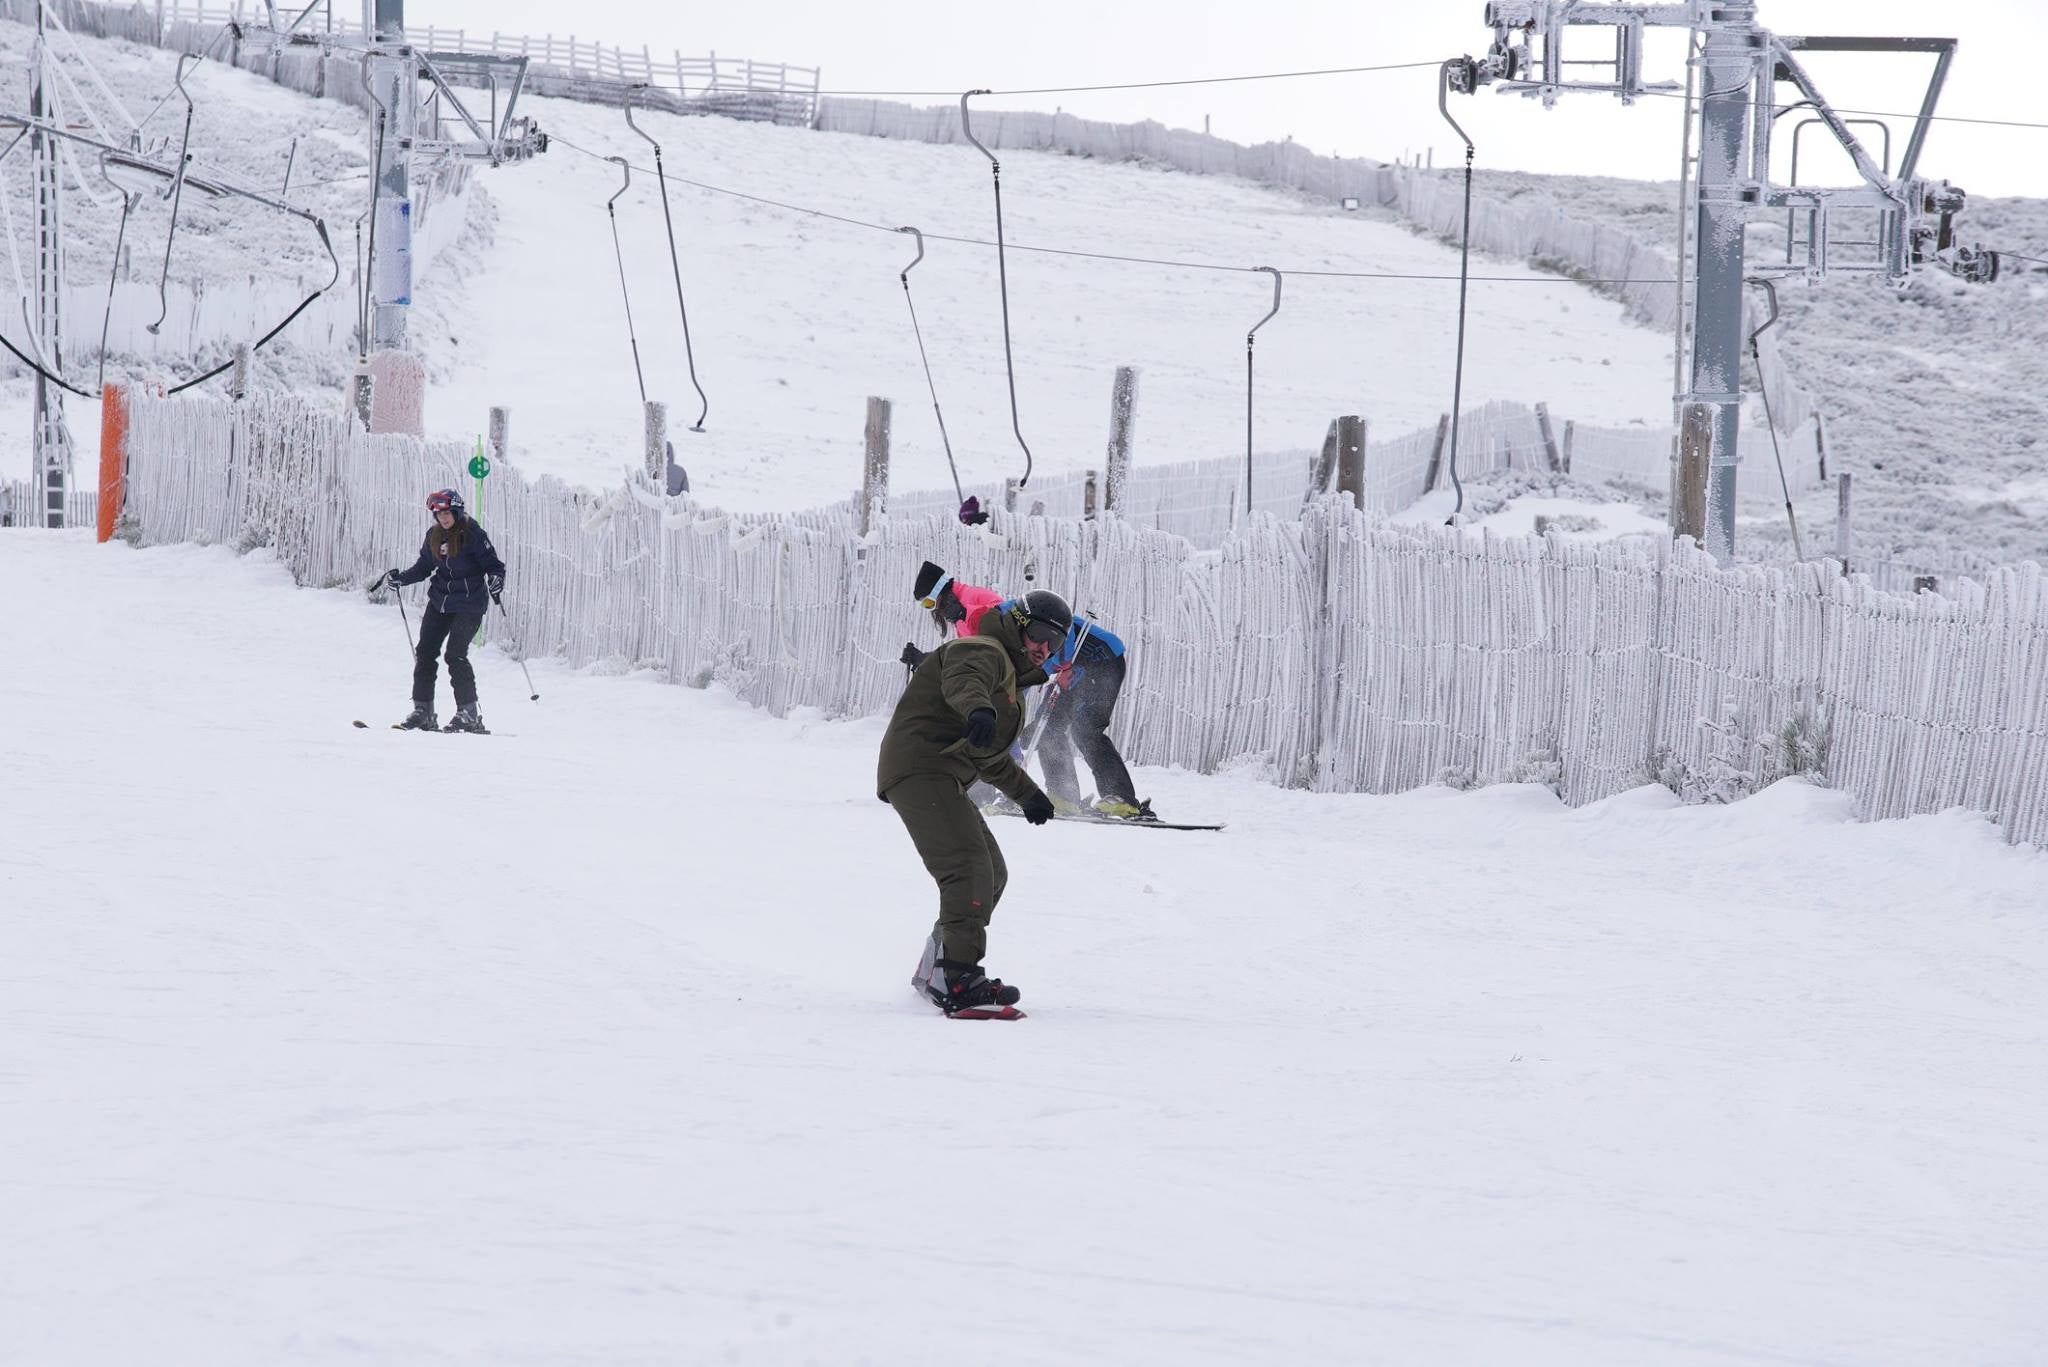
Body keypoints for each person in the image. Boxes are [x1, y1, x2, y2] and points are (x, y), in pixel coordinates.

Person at [879, 589, 1070, 1016]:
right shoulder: (982, 649)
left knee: (992, 872)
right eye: (1039, 634)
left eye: (1054, 644)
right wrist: (978, 709)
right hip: (923, 767)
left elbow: (985, 755)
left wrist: (1030, 796)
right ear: (1019, 626)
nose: (1043, 648)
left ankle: (937, 967)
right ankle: (959, 977)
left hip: (940, 771)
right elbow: (965, 680)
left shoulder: (1010, 677)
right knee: (967, 868)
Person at [371, 488, 506, 733]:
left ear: (456, 511)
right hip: (440, 601)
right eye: (438, 514)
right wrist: (400, 579)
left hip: (469, 603)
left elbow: (494, 565)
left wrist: (497, 579)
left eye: (446, 513)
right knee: (425, 652)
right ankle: (423, 711)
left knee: (455, 654)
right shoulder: (433, 535)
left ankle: (469, 714)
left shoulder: (473, 534)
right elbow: (424, 567)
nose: (443, 518)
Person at [1033, 613, 1147, 819]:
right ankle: (1063, 795)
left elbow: (1063, 636)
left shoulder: (1034, 617)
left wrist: (1053, 669)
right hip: (1074, 669)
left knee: (1086, 730)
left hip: (1104, 662)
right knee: (1047, 728)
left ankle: (1121, 798)